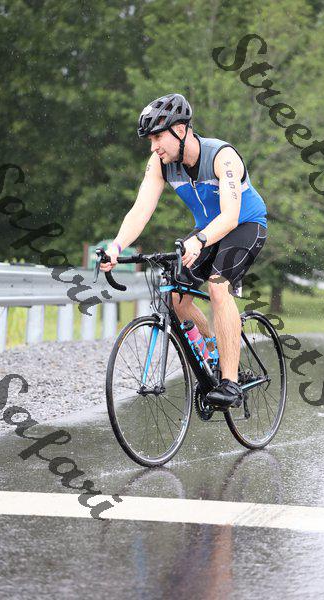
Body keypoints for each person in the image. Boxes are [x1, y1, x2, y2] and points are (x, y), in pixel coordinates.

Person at [101, 93, 267, 408]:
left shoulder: (222, 156)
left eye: (157, 137)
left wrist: (200, 240)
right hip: (206, 231)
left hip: (245, 225)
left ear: (180, 130)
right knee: (175, 297)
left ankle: (230, 382)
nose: (153, 147)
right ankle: (215, 354)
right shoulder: (161, 164)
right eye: (150, 140)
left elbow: (230, 217)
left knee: (218, 287)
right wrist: (116, 245)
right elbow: (140, 211)